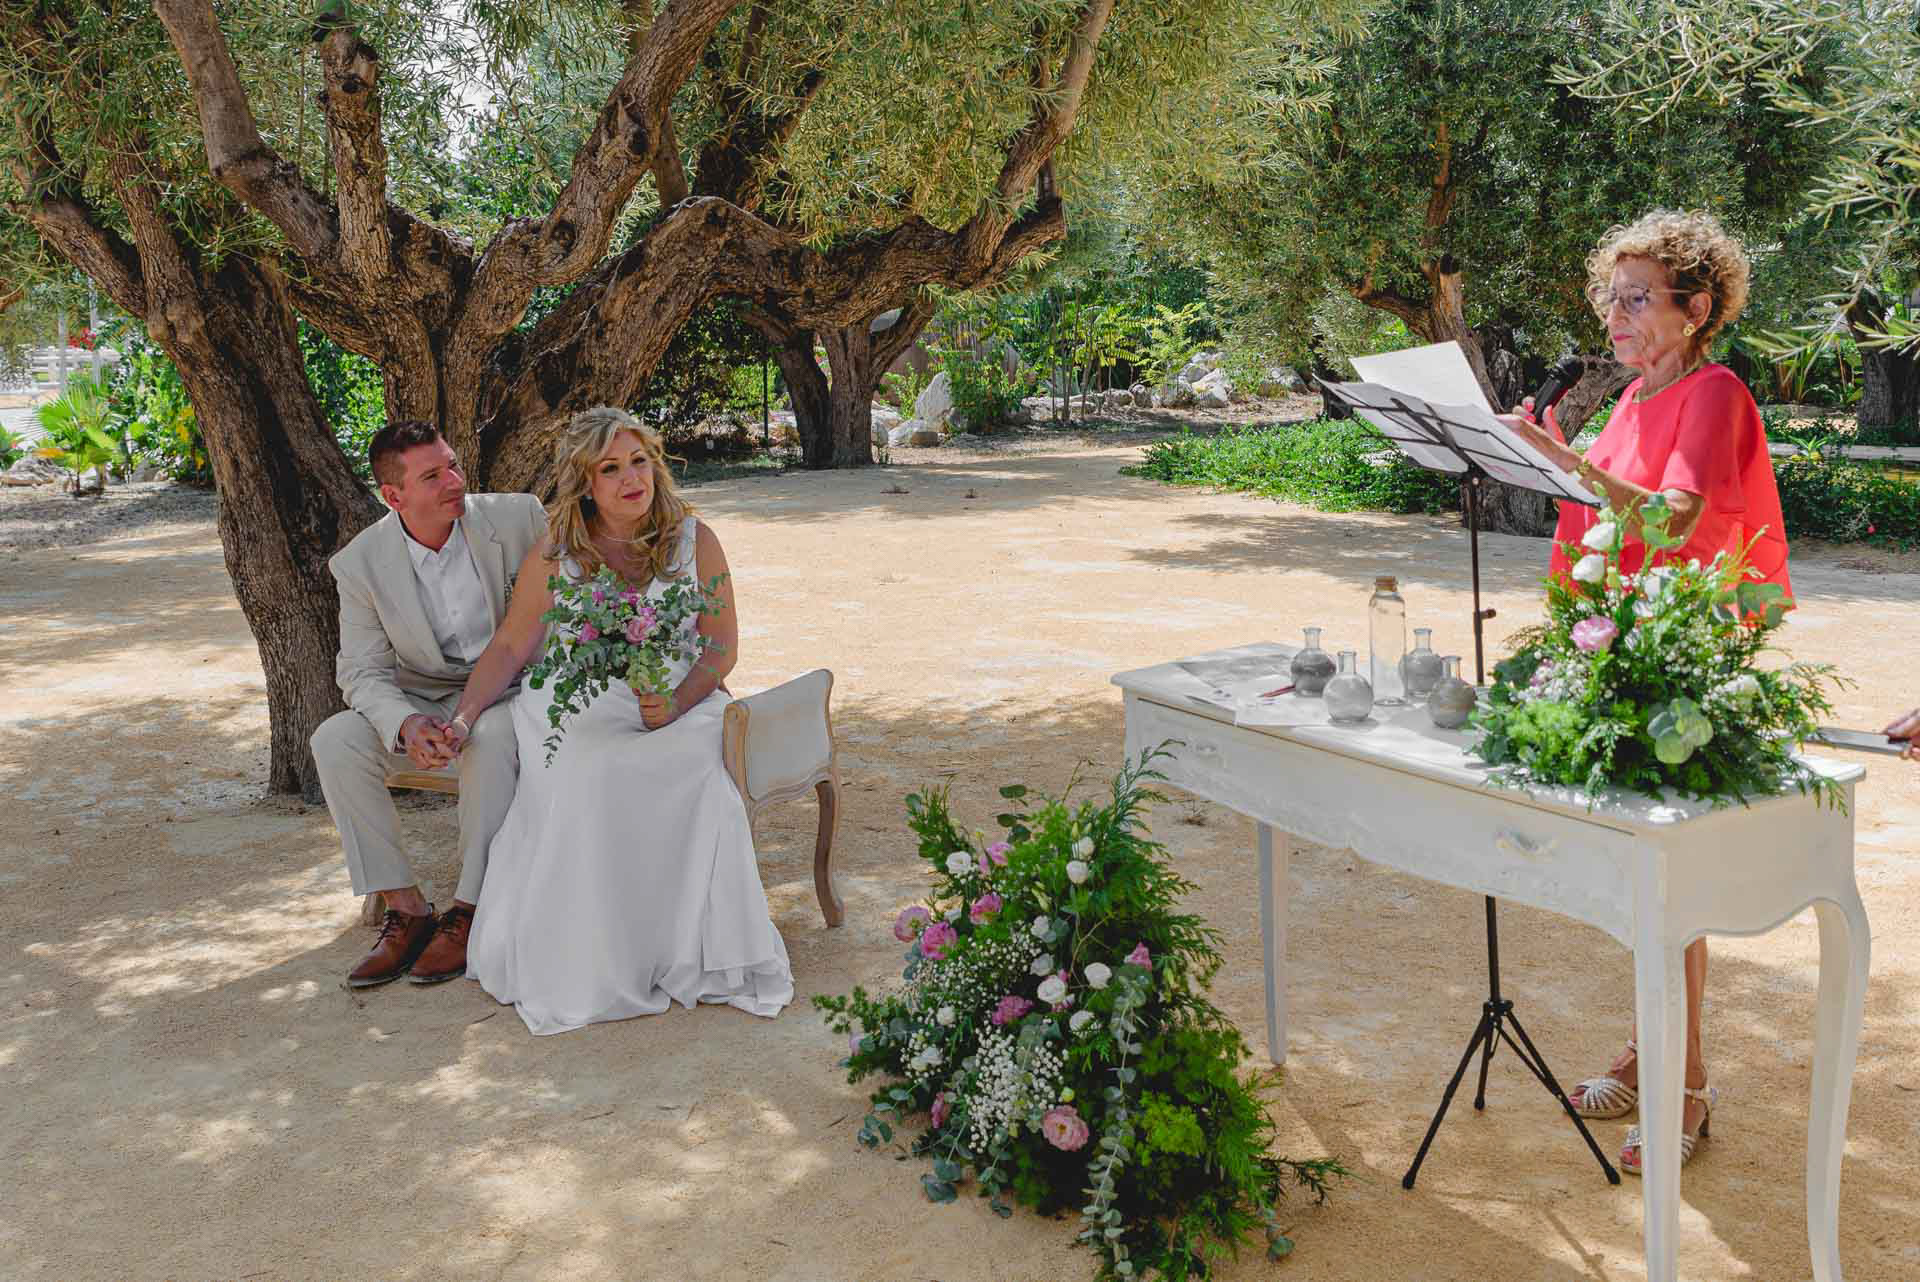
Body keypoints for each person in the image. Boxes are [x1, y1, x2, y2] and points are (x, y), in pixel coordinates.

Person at [1500, 209, 1790, 1175]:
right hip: (1621, 649)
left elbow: (1670, 522)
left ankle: (1688, 1082)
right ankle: (1644, 1046)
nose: (1613, 316)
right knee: (1635, 879)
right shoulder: (1631, 400)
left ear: (1695, 310)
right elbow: (1602, 517)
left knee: (1670, 886)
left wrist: (1564, 462)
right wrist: (1553, 460)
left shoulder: (1715, 394)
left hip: (1681, 660)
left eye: (1635, 299)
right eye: (1608, 297)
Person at [444, 407, 793, 1035]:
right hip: (577, 704)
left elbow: (720, 647)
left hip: (680, 698)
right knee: (593, 775)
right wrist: (465, 718)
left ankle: (686, 949)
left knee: (705, 778)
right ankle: (601, 957)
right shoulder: (557, 555)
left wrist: (678, 700)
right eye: (611, 469)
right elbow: (511, 646)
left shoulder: (695, 540)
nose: (632, 478)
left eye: (640, 461)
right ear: (585, 483)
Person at [311, 422, 549, 988]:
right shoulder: (360, 563)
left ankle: (470, 909)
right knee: (335, 741)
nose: (454, 481)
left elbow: (560, 617)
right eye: (433, 476)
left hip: (515, 687)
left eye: (453, 465)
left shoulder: (520, 519)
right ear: (394, 497)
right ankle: (407, 908)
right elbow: (362, 670)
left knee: (492, 738)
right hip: (424, 696)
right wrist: (405, 723)